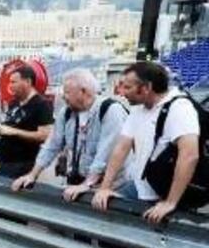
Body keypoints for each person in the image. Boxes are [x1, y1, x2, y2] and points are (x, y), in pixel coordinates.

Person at [92, 62, 201, 223]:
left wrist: (170, 202)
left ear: (146, 88)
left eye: (128, 87)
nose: (122, 92)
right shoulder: (138, 109)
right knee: (108, 222)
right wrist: (105, 187)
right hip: (142, 186)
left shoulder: (180, 108)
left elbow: (189, 156)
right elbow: (121, 148)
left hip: (169, 192)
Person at [12, 68, 130, 201]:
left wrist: (87, 184)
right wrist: (32, 175)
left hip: (110, 189)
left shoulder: (110, 111)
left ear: (83, 91)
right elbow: (51, 145)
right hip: (79, 184)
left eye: (67, 92)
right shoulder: (66, 113)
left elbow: (105, 153)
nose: (63, 96)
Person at [0, 65, 54, 178]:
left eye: (14, 82)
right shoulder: (14, 102)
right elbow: (8, 126)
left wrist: (14, 132)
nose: (10, 86)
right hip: (3, 162)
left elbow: (45, 136)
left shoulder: (42, 105)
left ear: (27, 81)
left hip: (22, 165)